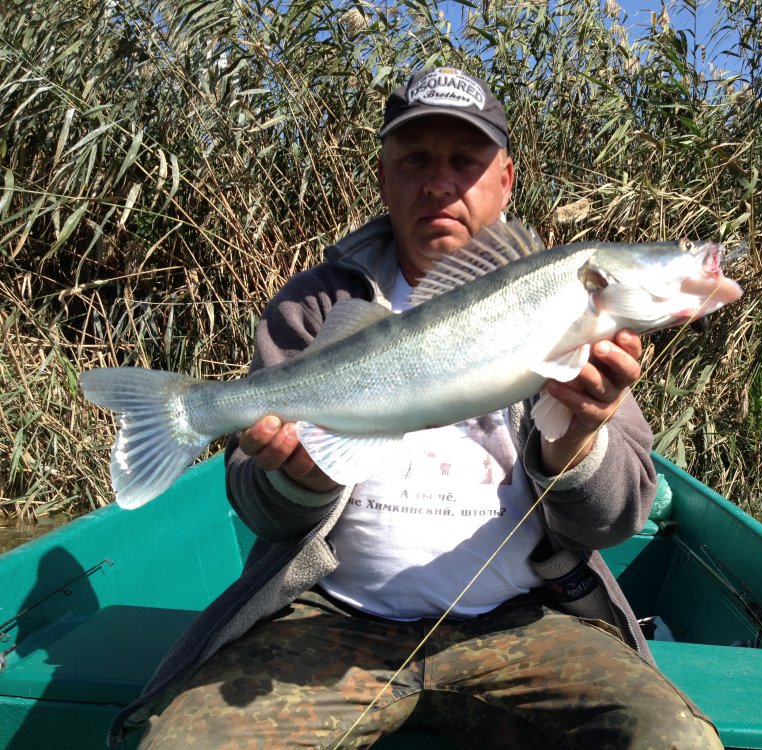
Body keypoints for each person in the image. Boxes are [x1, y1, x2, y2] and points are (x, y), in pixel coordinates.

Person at [109, 66, 722, 750]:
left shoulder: (571, 309)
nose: (439, 183)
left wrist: (577, 436)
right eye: (416, 159)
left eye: (465, 161)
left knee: (674, 740)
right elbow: (261, 510)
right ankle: (185, 410)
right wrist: (298, 481)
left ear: (506, 180)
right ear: (382, 174)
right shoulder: (316, 303)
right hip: (328, 618)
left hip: (525, 622)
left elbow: (613, 519)